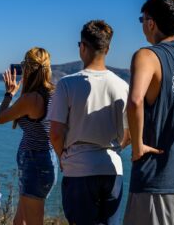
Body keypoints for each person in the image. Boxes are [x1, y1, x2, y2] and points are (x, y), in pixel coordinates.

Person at [48, 20, 130, 225]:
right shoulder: (122, 86)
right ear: (108, 49)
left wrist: (63, 157)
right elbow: (128, 135)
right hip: (112, 168)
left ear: (82, 47)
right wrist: (115, 148)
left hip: (78, 167)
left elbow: (56, 133)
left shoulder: (67, 84)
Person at [124, 0, 174, 225]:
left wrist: (137, 145)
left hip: (157, 178)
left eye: (142, 20)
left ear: (151, 23)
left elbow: (135, 101)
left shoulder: (147, 56)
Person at [0, 47, 58, 225]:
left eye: (24, 64)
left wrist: (9, 94)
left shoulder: (31, 98)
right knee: (19, 221)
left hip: (35, 164)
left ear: (29, 69)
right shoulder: (55, 93)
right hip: (47, 159)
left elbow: (0, 118)